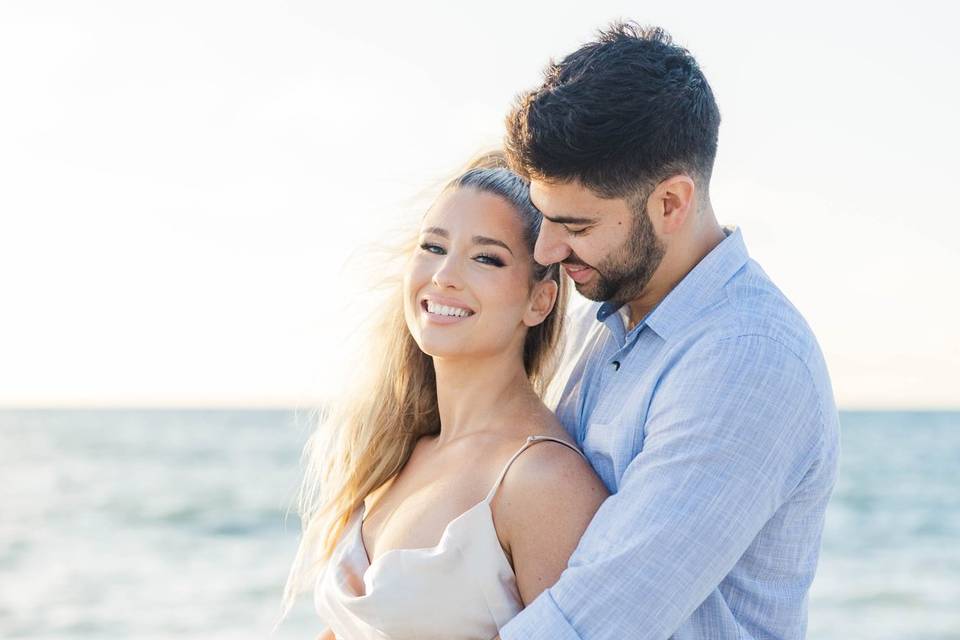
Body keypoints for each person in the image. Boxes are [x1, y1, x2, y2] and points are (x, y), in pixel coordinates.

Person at [488, 22, 841, 640]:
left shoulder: (748, 359)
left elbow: (598, 619)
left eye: (575, 223)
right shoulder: (602, 318)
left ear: (672, 203)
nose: (546, 247)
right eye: (543, 216)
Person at [277, 152, 609, 639]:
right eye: (433, 247)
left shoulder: (542, 482)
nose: (444, 275)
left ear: (540, 301)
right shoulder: (396, 453)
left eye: (485, 258)